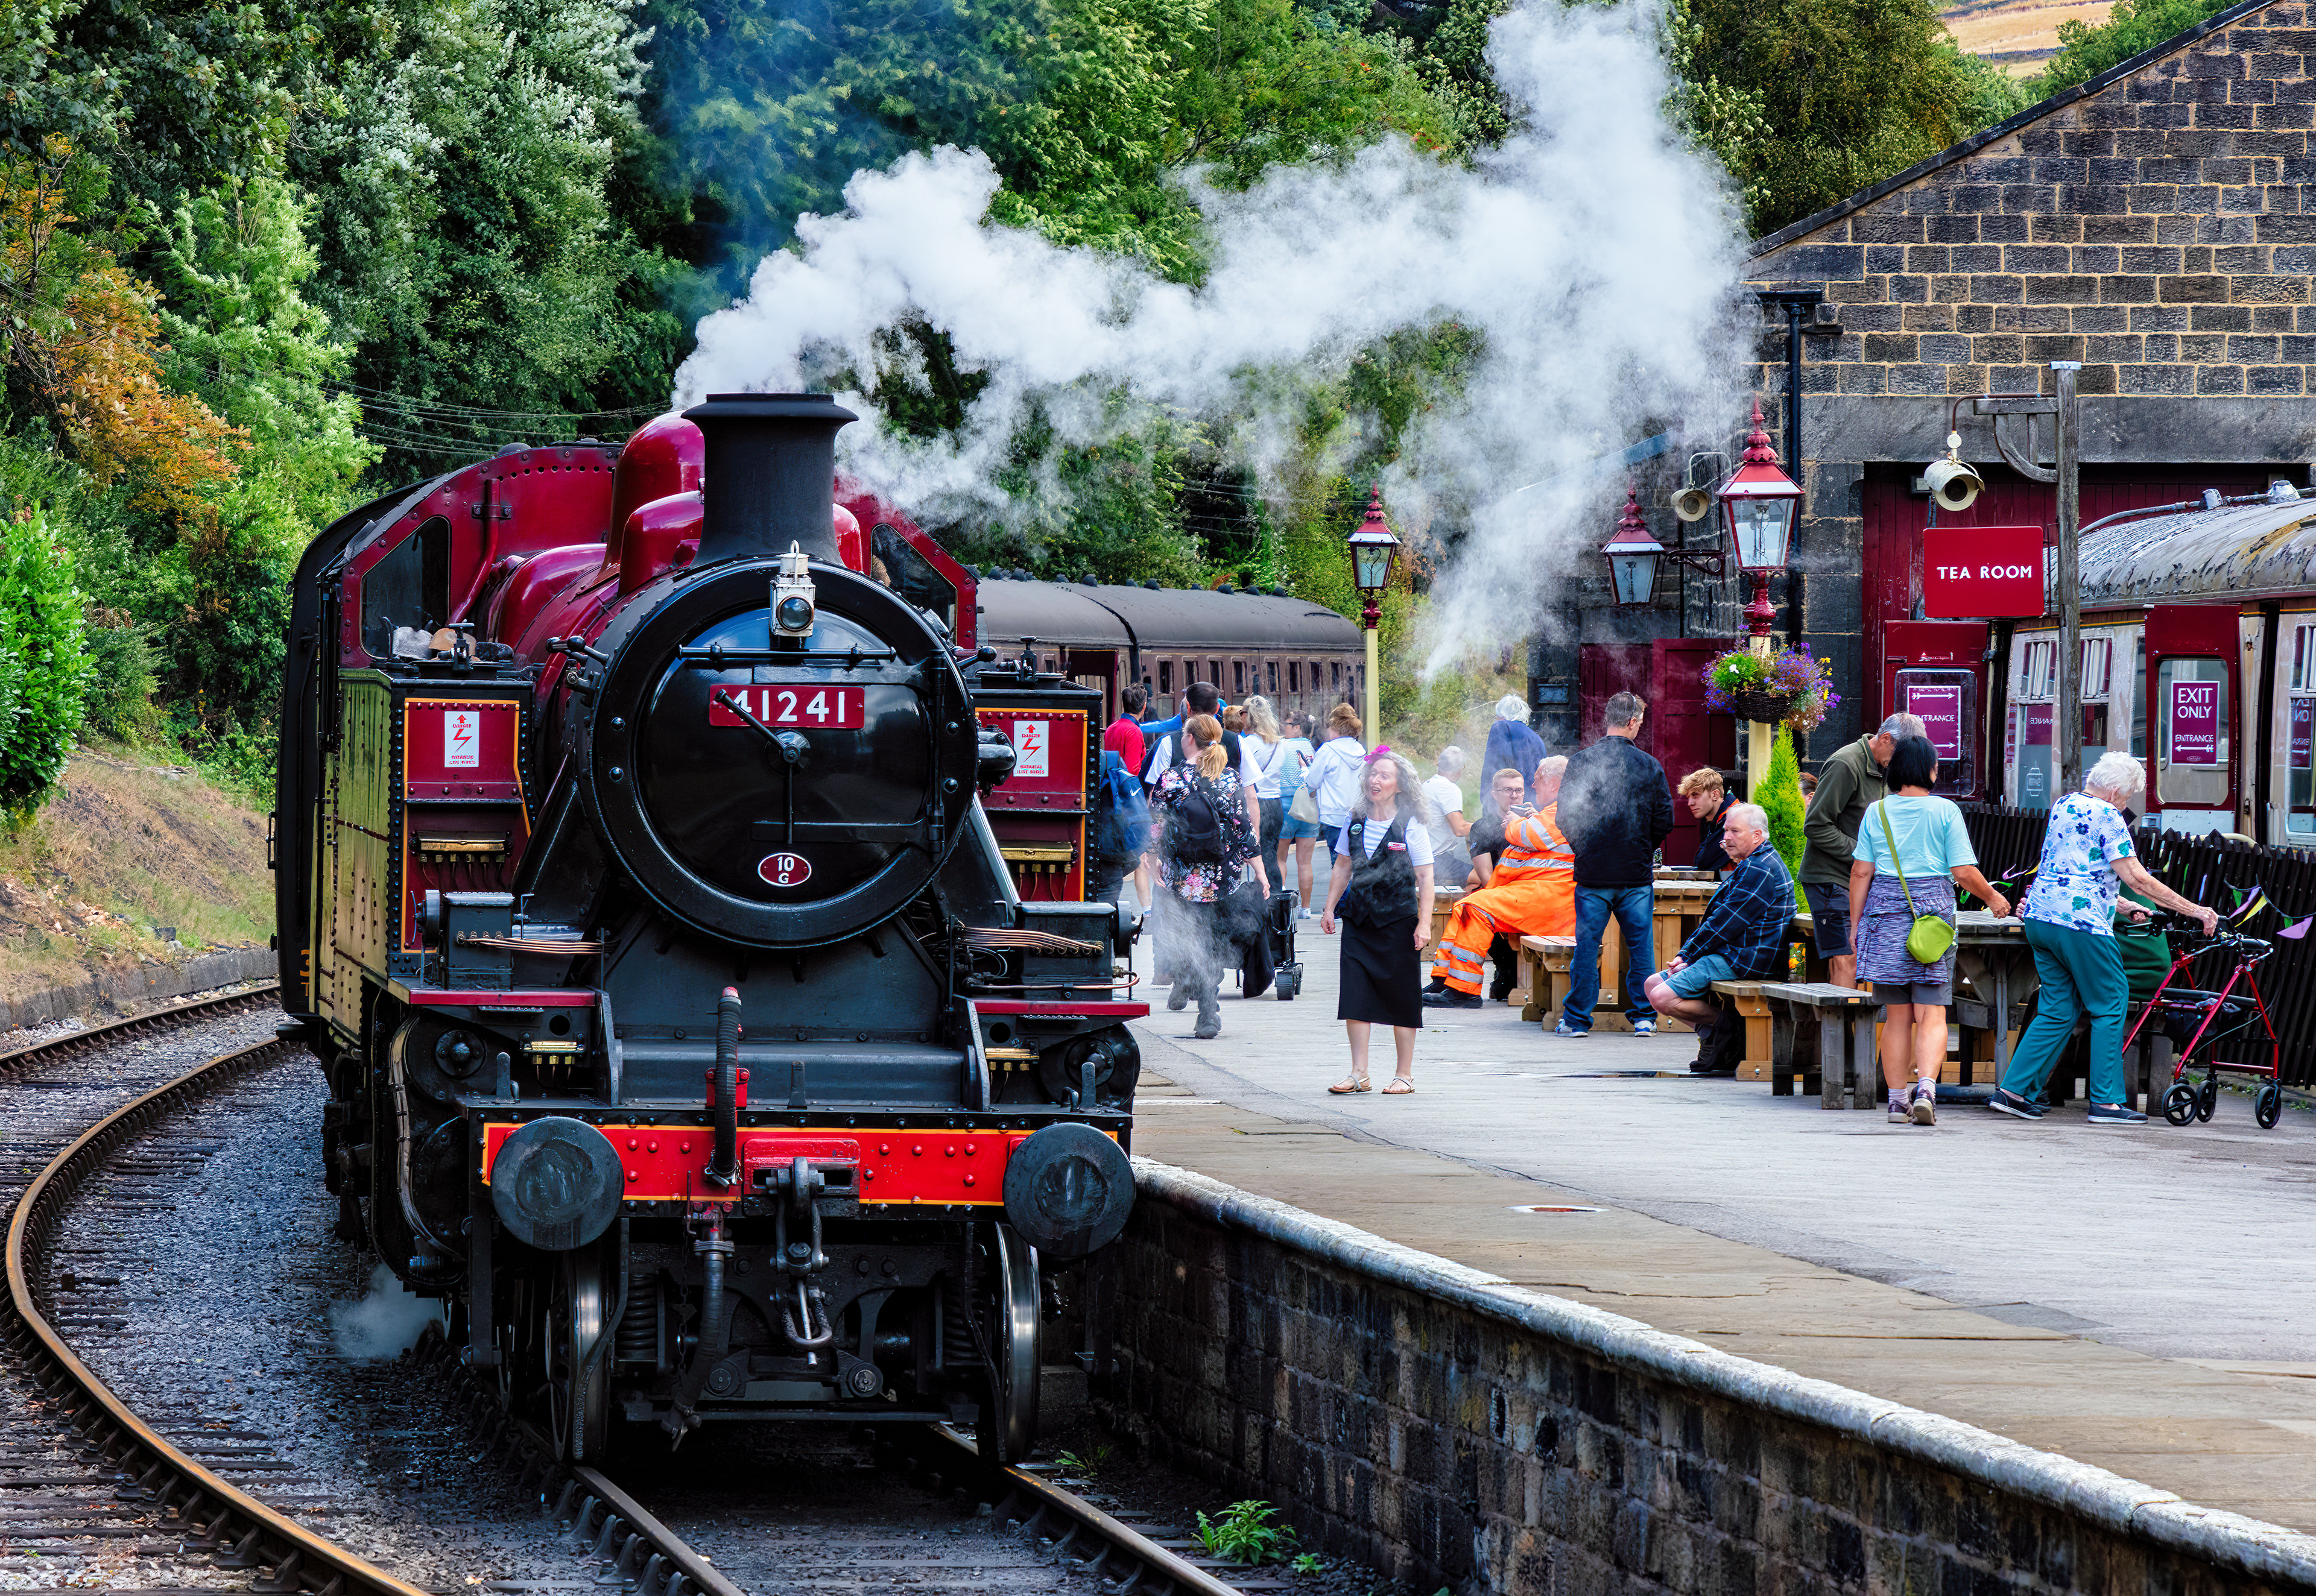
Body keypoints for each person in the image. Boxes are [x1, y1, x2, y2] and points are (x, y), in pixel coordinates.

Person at [1993, 752, 2216, 1124]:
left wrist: (2125, 907)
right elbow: (2138, 878)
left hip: (2041, 918)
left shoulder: (2065, 804)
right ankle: (2107, 1102)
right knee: (2111, 1000)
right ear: (2115, 792)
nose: (2126, 806)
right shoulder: (2109, 815)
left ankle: (2014, 1091)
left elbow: (2079, 871)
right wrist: (2197, 910)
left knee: (2058, 1008)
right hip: (2081, 926)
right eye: (2127, 799)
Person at [1845, 734, 2012, 1126]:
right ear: (1931, 770)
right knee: (1933, 1009)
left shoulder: (1877, 812)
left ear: (1895, 769)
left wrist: (1855, 927)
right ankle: (1926, 1090)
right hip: (1931, 918)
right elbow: (1962, 872)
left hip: (1885, 914)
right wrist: (1993, 899)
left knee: (1897, 1014)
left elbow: (1860, 871)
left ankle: (1896, 1101)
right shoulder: (1945, 811)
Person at [1555, 692, 1674, 1038]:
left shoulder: (1581, 762)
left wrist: (1586, 848)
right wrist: (1640, 847)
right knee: (1641, 950)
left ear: (1607, 718)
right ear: (1634, 722)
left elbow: (1566, 817)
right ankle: (1643, 1018)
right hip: (1635, 875)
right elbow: (1664, 820)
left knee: (1587, 947)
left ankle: (1577, 1021)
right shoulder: (1649, 765)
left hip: (1593, 874)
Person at [1322, 749, 1434, 1094]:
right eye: (1373, 774)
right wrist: (1329, 909)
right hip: (1358, 919)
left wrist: (1425, 923)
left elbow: (1425, 878)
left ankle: (1404, 1075)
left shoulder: (1411, 823)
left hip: (1399, 922)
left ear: (1400, 785)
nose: (1376, 780)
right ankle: (1359, 1074)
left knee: (1402, 997)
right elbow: (1342, 866)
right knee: (1355, 996)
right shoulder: (1354, 818)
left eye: (1385, 775)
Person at [1426, 754, 1574, 1006]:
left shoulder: (1565, 808)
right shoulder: (1548, 811)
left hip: (1552, 898)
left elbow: (1531, 835)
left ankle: (1464, 991)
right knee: (1467, 905)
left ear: (1554, 784)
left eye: (1537, 780)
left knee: (1476, 908)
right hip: (1536, 892)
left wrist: (1517, 823)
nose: (1533, 786)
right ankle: (1445, 979)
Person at [1149, 715, 1263, 1039]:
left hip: (1181, 875)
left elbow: (1156, 825)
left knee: (1186, 934)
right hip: (1221, 876)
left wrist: (1153, 860)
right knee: (1210, 940)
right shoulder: (1229, 779)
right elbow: (1244, 830)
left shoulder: (1170, 779)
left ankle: (1188, 978)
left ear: (1188, 740)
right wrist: (1261, 872)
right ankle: (1207, 1013)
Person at [1799, 713, 1925, 990]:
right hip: (1830, 879)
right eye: (1902, 754)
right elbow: (1816, 825)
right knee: (1849, 960)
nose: (1905, 763)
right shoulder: (1846, 764)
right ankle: (1844, 1033)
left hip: (1861, 879)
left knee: (1851, 960)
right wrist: (1864, 854)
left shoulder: (1885, 765)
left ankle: (1835, 1032)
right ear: (1886, 739)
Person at [1643, 803, 1794, 1029]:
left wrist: (1687, 956)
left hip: (1746, 960)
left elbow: (1724, 924)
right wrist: (1689, 956)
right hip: (1732, 953)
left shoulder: (1760, 870)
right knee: (1651, 984)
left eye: (1735, 831)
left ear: (1757, 836)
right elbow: (1722, 921)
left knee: (1661, 997)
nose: (1727, 837)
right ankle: (1712, 1037)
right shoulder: (1753, 862)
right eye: (1726, 830)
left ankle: (1729, 1030)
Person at [1145, 683, 1268, 883]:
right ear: (1218, 709)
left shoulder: (1168, 744)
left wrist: (1151, 857)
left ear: (1188, 708)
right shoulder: (1237, 745)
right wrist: (1252, 850)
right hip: (1224, 865)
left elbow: (1156, 812)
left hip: (1179, 866)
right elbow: (1250, 801)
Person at [1301, 703, 1370, 859]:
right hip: (1357, 815)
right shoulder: (1360, 750)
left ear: (1336, 729)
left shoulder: (1327, 750)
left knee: (1338, 865)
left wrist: (1304, 770)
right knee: (1356, 863)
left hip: (1333, 816)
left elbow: (1312, 782)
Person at [1273, 711, 1320, 913]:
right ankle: (1307, 909)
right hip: (1310, 806)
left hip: (1287, 805)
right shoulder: (1315, 748)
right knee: (1305, 862)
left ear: (1298, 727)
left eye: (1288, 723)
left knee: (1280, 858)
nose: (1284, 726)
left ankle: (1281, 906)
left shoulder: (1281, 746)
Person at [1241, 695, 1292, 873]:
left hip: (1258, 803)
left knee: (1257, 857)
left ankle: (1262, 898)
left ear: (1250, 716)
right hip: (1276, 804)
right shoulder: (1279, 743)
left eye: (1242, 713)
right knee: (1271, 855)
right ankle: (1276, 896)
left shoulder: (1249, 743)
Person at [1423, 748, 1473, 891]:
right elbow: (1460, 829)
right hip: (1438, 859)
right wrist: (1488, 825)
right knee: (1483, 877)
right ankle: (1456, 909)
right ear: (1460, 768)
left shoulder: (1428, 785)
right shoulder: (1449, 788)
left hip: (1424, 857)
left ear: (1439, 765)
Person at [1478, 693, 1546, 798]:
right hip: (1531, 802)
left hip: (1509, 801)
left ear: (1502, 716)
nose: (1496, 720)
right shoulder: (1536, 738)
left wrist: (1487, 800)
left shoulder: (1501, 726)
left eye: (1496, 717)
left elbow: (1494, 767)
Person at [1680, 767, 1736, 872]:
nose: (1690, 803)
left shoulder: (1734, 819)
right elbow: (1700, 862)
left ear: (1715, 795)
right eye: (1688, 797)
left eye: (1696, 796)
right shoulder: (1716, 820)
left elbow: (1705, 864)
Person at [1104, 686, 1149, 774]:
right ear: (1144, 706)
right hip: (1126, 785)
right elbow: (1132, 771)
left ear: (1123, 704)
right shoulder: (1134, 731)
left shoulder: (1110, 728)